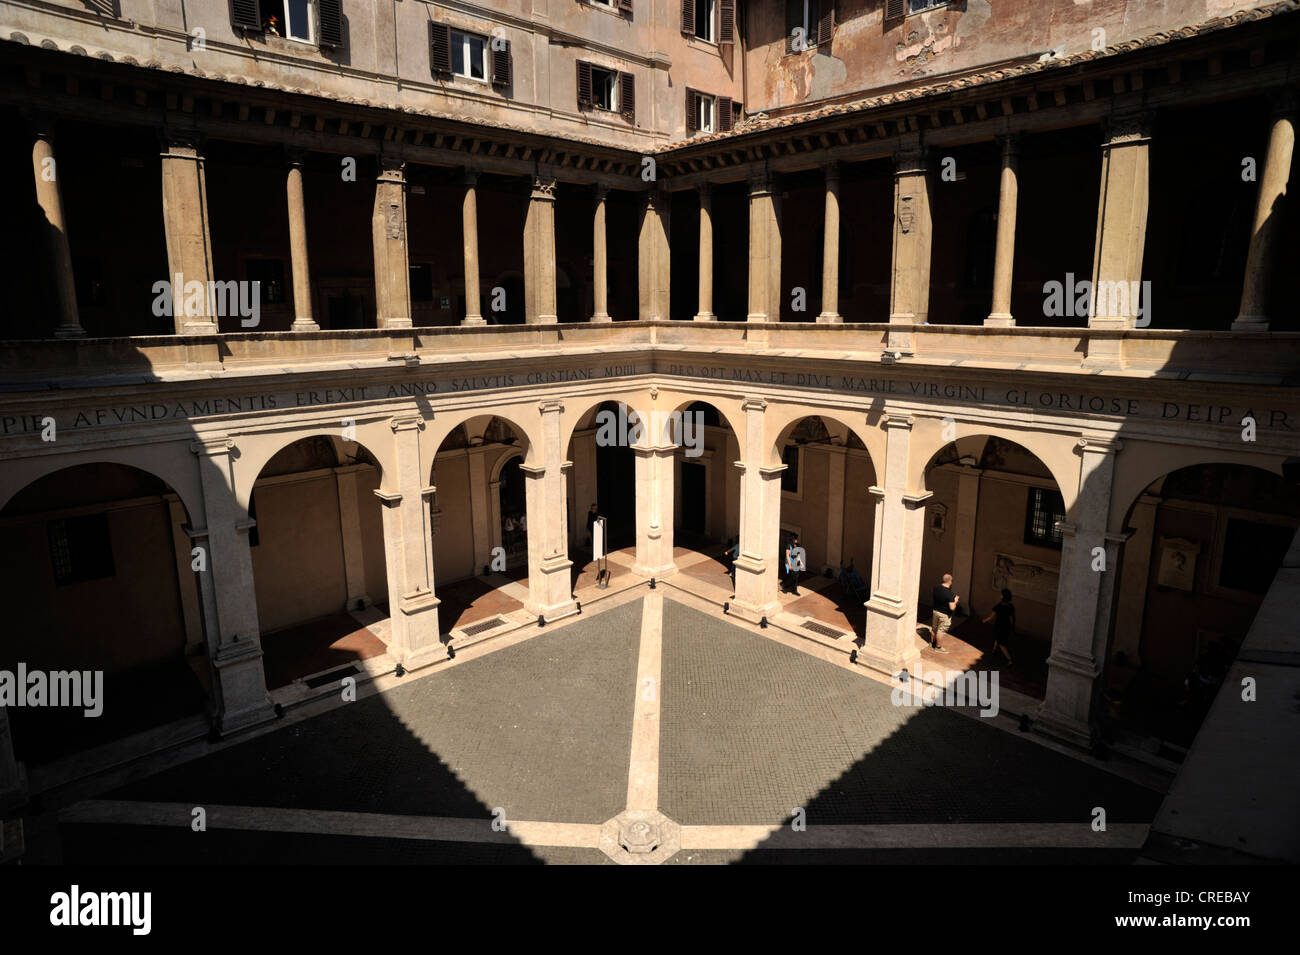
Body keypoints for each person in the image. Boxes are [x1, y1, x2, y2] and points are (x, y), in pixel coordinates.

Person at [982, 588, 1016, 666]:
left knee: (1001, 644)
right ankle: (994, 649)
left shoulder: (998, 606)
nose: (1000, 595)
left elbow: (991, 617)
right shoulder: (1011, 606)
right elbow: (1012, 618)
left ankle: (1009, 660)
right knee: (998, 637)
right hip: (1006, 626)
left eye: (1001, 594)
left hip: (999, 626)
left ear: (1003, 596)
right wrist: (1012, 626)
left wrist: (984, 620)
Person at [930, 573, 959, 653]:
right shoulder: (950, 594)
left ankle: (932, 643)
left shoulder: (936, 588)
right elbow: (952, 608)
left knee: (934, 628)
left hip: (935, 611)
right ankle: (938, 647)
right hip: (944, 615)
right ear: (950, 581)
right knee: (941, 630)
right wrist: (955, 601)